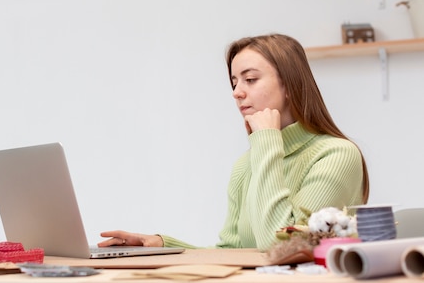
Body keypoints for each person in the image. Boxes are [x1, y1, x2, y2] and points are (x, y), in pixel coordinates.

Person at [98, 33, 369, 251]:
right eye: (234, 82)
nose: (237, 93)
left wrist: (266, 140)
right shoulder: (246, 164)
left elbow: (281, 246)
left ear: (289, 85)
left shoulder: (336, 155)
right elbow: (232, 252)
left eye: (250, 79)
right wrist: (163, 245)